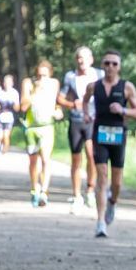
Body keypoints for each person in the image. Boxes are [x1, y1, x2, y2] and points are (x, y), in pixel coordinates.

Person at [87, 51, 136, 239]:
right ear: (102, 65)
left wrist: (123, 110)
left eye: (114, 64)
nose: (110, 67)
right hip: (100, 134)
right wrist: (86, 114)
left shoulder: (127, 87)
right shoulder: (94, 86)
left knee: (116, 182)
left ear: (119, 66)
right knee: (102, 177)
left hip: (118, 135)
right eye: (107, 63)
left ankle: (112, 202)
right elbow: (84, 101)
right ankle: (100, 222)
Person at [60, 46, 98, 214]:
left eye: (85, 57)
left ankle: (90, 190)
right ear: (76, 60)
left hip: (94, 120)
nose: (82, 61)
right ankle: (76, 195)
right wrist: (71, 104)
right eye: (79, 58)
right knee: (76, 159)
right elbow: (60, 98)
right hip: (76, 120)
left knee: (92, 155)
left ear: (91, 59)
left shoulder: (99, 75)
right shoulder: (70, 76)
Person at [23, 59, 63, 206]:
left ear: (50, 74)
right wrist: (34, 92)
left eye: (45, 76)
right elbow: (23, 106)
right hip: (31, 128)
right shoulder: (28, 84)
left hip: (47, 127)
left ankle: (44, 192)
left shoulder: (54, 84)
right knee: (33, 161)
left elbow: (58, 101)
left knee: (46, 159)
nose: (42, 79)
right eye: (39, 76)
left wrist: (58, 111)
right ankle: (34, 189)